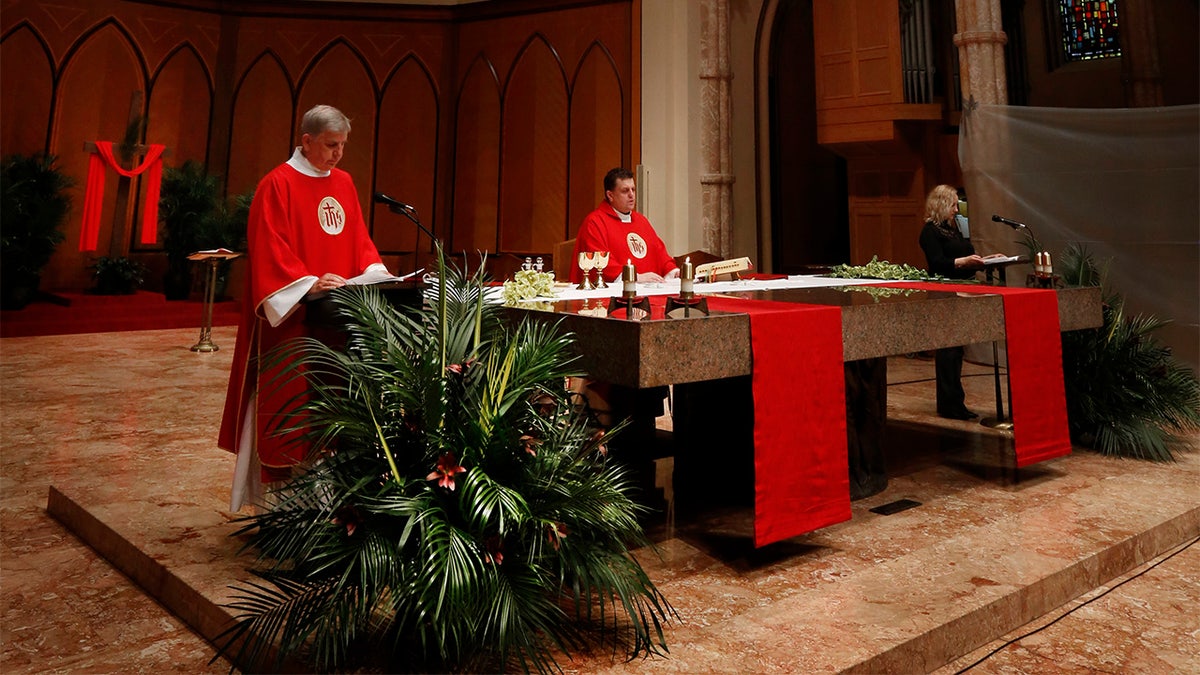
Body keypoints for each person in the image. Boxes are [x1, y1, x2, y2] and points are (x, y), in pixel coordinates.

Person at [219, 104, 392, 511]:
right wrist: (311, 281)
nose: (338, 155)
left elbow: (358, 239)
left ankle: (334, 509)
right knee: (291, 404)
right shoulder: (276, 185)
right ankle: (286, 514)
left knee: (334, 403)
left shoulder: (345, 183)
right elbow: (269, 250)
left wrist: (373, 271)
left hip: (335, 320)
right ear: (307, 141)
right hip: (293, 319)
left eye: (343, 146)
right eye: (330, 145)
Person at [918, 184, 1004, 421]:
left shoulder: (953, 230)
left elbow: (967, 256)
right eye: (953, 205)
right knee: (949, 350)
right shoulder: (930, 232)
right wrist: (962, 262)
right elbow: (937, 263)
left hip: (964, 291)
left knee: (958, 349)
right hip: (945, 293)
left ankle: (957, 402)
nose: (956, 210)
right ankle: (949, 404)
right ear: (941, 204)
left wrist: (986, 260)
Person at [570, 167, 679, 284]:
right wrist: (634, 277)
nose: (631, 195)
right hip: (614, 297)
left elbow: (658, 251)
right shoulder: (595, 222)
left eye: (633, 189)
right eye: (625, 191)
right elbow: (600, 262)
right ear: (610, 195)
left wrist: (671, 270)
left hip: (649, 291)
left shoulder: (641, 221)